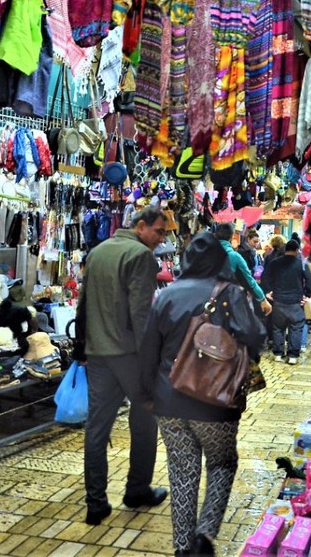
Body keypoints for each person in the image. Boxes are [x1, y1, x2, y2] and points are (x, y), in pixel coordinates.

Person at [139, 231, 265, 557]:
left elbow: (147, 351)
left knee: (182, 472)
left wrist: (147, 395)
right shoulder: (232, 294)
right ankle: (204, 536)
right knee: (222, 464)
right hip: (216, 401)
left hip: (169, 400)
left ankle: (183, 548)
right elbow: (255, 335)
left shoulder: (166, 294)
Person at [81, 205, 169, 525]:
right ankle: (137, 489)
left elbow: (83, 303)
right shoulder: (141, 256)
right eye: (159, 232)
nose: (161, 239)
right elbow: (141, 314)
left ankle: (95, 502)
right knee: (145, 420)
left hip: (98, 351)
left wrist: (81, 345)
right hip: (130, 354)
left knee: (97, 427)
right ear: (141, 225)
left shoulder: (98, 251)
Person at [260, 239, 311, 364]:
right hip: (296, 301)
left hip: (278, 300)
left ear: (285, 250)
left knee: (278, 328)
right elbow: (309, 282)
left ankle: (278, 354)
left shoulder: (275, 263)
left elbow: (265, 277)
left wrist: (268, 291)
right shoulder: (302, 264)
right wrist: (307, 295)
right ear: (297, 250)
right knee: (296, 327)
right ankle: (293, 356)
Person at [213, 223, 272, 317]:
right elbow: (249, 281)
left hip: (204, 301)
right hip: (227, 302)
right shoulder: (234, 256)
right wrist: (262, 299)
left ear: (215, 235)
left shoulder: (205, 253)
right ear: (231, 237)